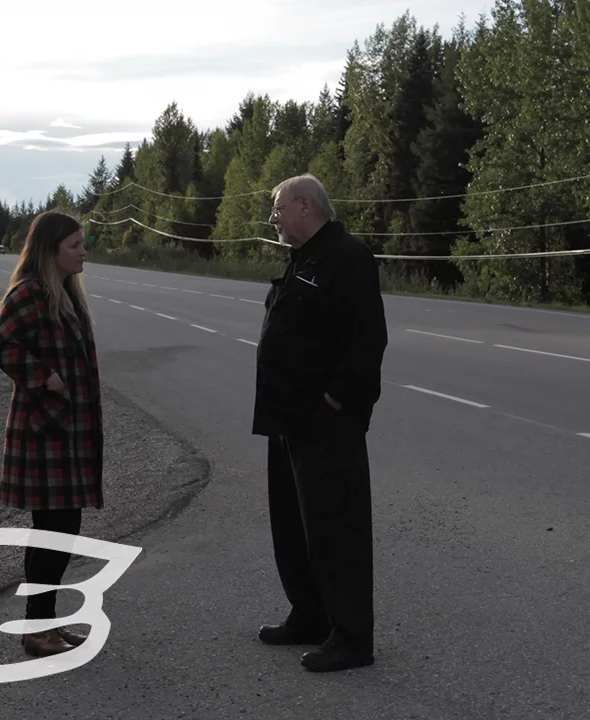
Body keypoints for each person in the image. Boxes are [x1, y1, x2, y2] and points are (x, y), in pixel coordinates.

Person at [251, 173, 388, 673]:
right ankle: (310, 615)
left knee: (336, 530)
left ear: (305, 206)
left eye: (279, 209)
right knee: (293, 527)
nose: (274, 218)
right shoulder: (305, 257)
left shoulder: (347, 257)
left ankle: (352, 637)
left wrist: (339, 398)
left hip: (326, 422)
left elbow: (367, 338)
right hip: (288, 418)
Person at [0, 210, 103, 658]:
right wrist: (46, 379)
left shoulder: (65, 294)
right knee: (52, 533)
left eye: (82, 243)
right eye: (74, 245)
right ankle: (37, 630)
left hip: (67, 434)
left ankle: (45, 624)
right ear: (49, 250)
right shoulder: (29, 293)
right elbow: (2, 346)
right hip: (43, 433)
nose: (83, 252)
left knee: (60, 530)